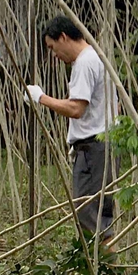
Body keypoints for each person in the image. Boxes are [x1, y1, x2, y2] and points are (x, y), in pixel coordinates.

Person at [27, 15, 115, 239]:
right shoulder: (95, 58)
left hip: (94, 149)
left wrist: (40, 98)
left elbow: (77, 108)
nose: (54, 55)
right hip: (101, 146)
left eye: (52, 47)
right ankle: (101, 273)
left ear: (64, 37)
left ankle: (106, 271)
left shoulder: (85, 63)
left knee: (89, 214)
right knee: (99, 216)